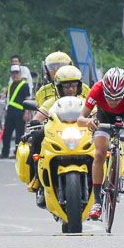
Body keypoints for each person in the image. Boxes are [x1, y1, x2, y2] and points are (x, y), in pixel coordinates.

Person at [77, 67, 124, 220]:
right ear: (104, 90)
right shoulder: (97, 89)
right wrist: (89, 121)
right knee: (99, 154)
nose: (112, 102)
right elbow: (80, 120)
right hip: (103, 117)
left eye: (117, 98)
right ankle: (97, 202)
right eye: (109, 98)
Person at [26, 65, 86, 194]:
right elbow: (40, 114)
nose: (70, 89)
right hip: (58, 133)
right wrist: (35, 121)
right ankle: (36, 176)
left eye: (74, 85)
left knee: (102, 140)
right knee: (37, 135)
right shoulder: (52, 102)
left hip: (81, 134)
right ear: (59, 88)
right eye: (66, 86)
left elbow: (96, 113)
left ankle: (103, 176)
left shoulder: (85, 102)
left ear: (79, 86)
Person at [0, 65, 31, 159]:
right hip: (11, 111)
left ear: (20, 73)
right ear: (11, 74)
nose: (15, 75)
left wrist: (26, 112)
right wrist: (6, 110)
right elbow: (9, 99)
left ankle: (17, 153)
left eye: (17, 73)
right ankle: (5, 152)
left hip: (20, 112)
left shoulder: (24, 85)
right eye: (13, 73)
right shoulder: (11, 85)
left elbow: (27, 99)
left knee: (19, 135)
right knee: (6, 134)